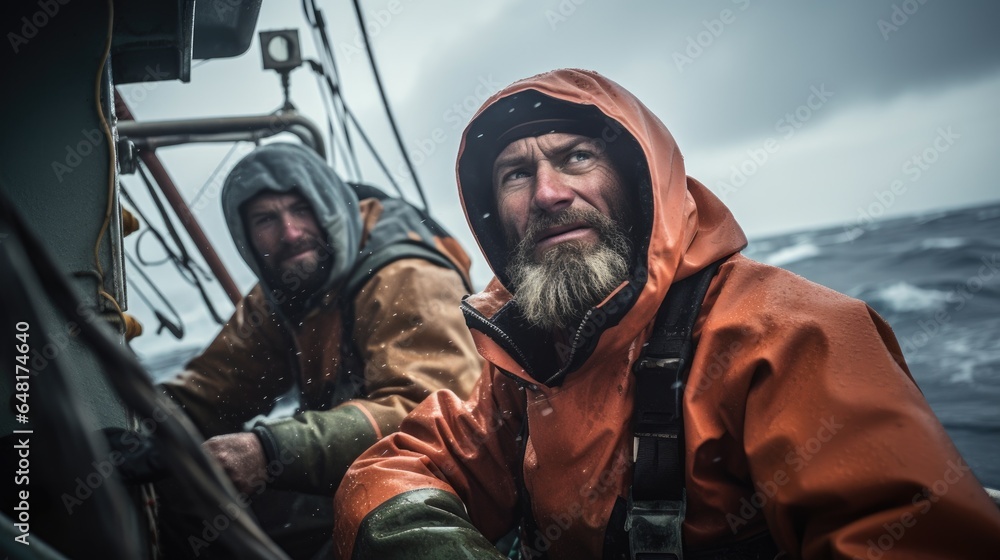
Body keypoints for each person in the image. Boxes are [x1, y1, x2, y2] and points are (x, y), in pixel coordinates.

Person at [332, 69, 1000, 559]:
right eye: (515, 175)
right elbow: (396, 468)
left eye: (575, 158)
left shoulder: (792, 336)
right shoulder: (526, 359)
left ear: (636, 176)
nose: (548, 193)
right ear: (493, 215)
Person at [157, 142, 481, 559]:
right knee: (185, 501)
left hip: (435, 483)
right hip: (353, 468)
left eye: (300, 209)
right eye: (266, 219)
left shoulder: (406, 276)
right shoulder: (285, 289)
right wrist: (146, 427)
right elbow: (213, 388)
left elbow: (432, 410)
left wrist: (270, 449)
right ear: (246, 238)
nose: (290, 233)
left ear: (328, 205)